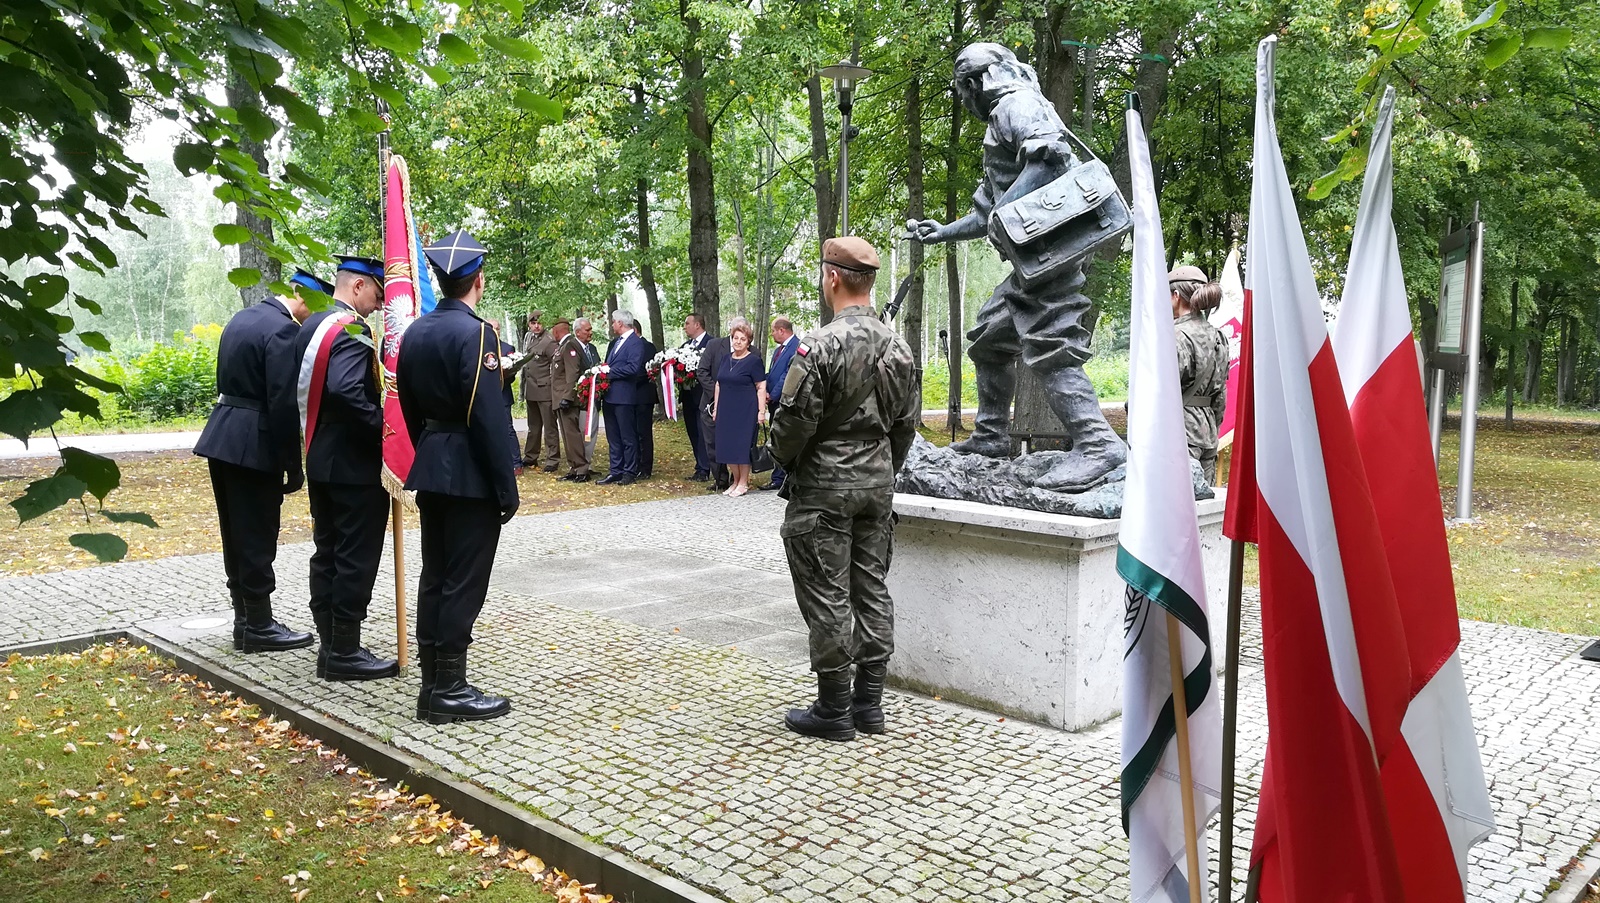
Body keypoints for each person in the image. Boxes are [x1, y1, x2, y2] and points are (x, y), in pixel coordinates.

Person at [907, 42, 1127, 491]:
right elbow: (988, 213)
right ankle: (990, 436)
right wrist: (943, 231)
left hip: (1051, 256)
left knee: (1051, 346)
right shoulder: (998, 124)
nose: (963, 99)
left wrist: (1006, 209)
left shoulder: (1016, 104)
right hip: (1033, 261)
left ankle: (1098, 443)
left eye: (961, 90)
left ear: (973, 84)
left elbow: (1048, 156)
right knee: (990, 339)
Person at [770, 237, 919, 741]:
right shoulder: (899, 347)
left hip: (824, 488)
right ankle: (870, 705)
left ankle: (834, 708)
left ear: (832, 277)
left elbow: (791, 427)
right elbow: (906, 426)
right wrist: (881, 469)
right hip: (877, 485)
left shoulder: (818, 345)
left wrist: (786, 463)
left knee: (828, 592)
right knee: (871, 588)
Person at [397, 230, 518, 724]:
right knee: (464, 582)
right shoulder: (478, 334)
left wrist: (429, 446)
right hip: (469, 471)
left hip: (432, 462)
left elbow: (405, 404)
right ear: (478, 282)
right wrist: (505, 486)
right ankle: (448, 689)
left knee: (437, 576)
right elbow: (487, 418)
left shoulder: (416, 332)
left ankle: (434, 682)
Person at [196, 269, 319, 654]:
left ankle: (244, 619)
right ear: (300, 297)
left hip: (223, 435)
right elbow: (282, 402)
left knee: (235, 532)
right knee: (257, 534)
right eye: (312, 307)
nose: (310, 317)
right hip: (254, 442)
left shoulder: (243, 317)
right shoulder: (283, 330)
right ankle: (260, 626)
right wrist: (294, 464)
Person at [291, 255, 399, 682]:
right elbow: (348, 392)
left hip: (319, 457)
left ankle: (331, 641)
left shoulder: (311, 326)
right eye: (375, 294)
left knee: (329, 552)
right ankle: (345, 651)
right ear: (356, 287)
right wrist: (385, 431)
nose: (377, 305)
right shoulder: (351, 330)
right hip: (354, 464)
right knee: (355, 557)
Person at [1169, 267, 1229, 483]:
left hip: (1179, 433)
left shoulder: (1174, 335)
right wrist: (1213, 425)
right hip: (1208, 432)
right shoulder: (1218, 336)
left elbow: (1163, 388)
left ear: (1176, 296)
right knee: (1204, 510)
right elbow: (1221, 393)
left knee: (1176, 507)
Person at [713, 321, 768, 497]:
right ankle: (735, 481)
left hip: (746, 409)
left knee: (742, 447)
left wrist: (761, 411)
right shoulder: (725, 359)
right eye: (735, 338)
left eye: (742, 339)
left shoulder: (753, 361)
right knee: (727, 446)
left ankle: (744, 483)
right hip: (726, 408)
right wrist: (716, 408)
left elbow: (761, 386)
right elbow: (718, 384)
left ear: (748, 342)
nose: (738, 342)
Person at [598, 310, 648, 485]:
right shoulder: (616, 343)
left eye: (613, 322)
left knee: (627, 435)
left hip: (625, 396)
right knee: (613, 436)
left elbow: (633, 368)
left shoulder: (635, 342)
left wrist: (609, 372)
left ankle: (629, 471)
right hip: (610, 396)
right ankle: (616, 470)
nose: (612, 325)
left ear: (620, 323)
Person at [549, 318, 591, 482]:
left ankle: (581, 469)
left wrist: (567, 397)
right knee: (567, 435)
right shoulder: (564, 346)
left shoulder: (570, 345)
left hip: (567, 398)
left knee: (572, 435)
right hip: (560, 397)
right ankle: (574, 468)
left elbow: (572, 373)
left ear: (557, 331)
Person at [760, 317, 799, 492]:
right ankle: (779, 476)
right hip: (774, 401)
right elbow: (774, 373)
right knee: (776, 438)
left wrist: (772, 395)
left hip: (785, 401)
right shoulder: (778, 350)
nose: (772, 333)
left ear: (782, 330)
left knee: (784, 438)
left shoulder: (796, 347)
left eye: (773, 330)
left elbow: (787, 375)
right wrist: (763, 390)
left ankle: (780, 477)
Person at [520, 312, 560, 472]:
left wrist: (552, 385)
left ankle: (553, 459)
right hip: (531, 389)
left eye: (539, 323)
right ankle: (530, 456)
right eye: (533, 323)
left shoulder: (549, 341)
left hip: (545, 390)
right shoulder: (529, 338)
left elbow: (557, 366)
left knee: (549, 427)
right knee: (533, 426)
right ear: (529, 324)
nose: (536, 326)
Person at [695, 323, 733, 491]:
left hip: (737, 404)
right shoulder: (714, 345)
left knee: (735, 442)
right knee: (712, 442)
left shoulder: (752, 351)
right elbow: (702, 371)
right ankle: (720, 479)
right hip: (711, 403)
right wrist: (717, 393)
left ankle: (738, 478)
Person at [679, 314, 713, 480]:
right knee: (693, 432)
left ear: (697, 325)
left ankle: (706, 468)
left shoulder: (712, 344)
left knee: (703, 432)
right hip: (687, 397)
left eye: (687, 323)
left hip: (703, 396)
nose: (685, 327)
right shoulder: (685, 346)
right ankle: (699, 466)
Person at [575, 317, 602, 463]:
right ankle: (580, 463)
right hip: (579, 398)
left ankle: (587, 462)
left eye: (591, 329)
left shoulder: (592, 348)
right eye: (587, 330)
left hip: (593, 398)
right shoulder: (572, 347)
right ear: (578, 332)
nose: (590, 333)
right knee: (580, 431)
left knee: (591, 430)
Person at [634, 329, 659, 478]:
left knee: (644, 433)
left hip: (644, 396)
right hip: (631, 396)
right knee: (634, 433)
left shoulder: (647, 346)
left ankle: (645, 467)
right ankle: (636, 463)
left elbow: (647, 371)